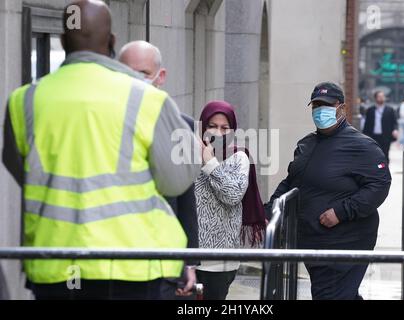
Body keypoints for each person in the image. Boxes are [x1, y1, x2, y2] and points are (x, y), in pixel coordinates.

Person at [2, 0, 201, 300]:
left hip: (57, 267)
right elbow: (176, 181)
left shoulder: (24, 100)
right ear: (111, 42)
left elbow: (21, 169)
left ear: (62, 39)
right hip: (135, 266)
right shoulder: (146, 98)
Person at [265, 82, 392, 300]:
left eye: (326, 105)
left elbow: (379, 185)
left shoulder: (363, 146)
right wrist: (270, 209)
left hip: (344, 242)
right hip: (313, 241)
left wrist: (342, 212)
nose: (320, 110)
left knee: (330, 295)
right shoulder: (306, 144)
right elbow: (293, 182)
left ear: (341, 108)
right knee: (341, 295)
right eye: (316, 105)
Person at [118, 41, 199, 297]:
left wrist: (189, 261)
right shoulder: (105, 119)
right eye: (126, 72)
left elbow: (185, 199)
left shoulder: (180, 125)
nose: (134, 80)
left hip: (162, 258)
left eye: (142, 73)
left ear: (160, 76)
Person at [195, 101, 266, 300]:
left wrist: (210, 163)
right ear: (202, 127)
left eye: (225, 128)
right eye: (212, 126)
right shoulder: (188, 153)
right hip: (188, 257)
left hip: (219, 259)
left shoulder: (239, 157)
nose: (218, 133)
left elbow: (232, 195)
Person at [363, 91, 399, 163]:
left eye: (383, 96)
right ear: (375, 98)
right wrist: (365, 136)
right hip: (373, 136)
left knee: (385, 154)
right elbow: (367, 124)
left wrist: (395, 130)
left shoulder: (390, 110)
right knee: (374, 154)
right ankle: (377, 170)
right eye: (379, 96)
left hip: (385, 136)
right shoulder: (370, 110)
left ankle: (384, 170)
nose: (382, 98)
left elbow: (394, 122)